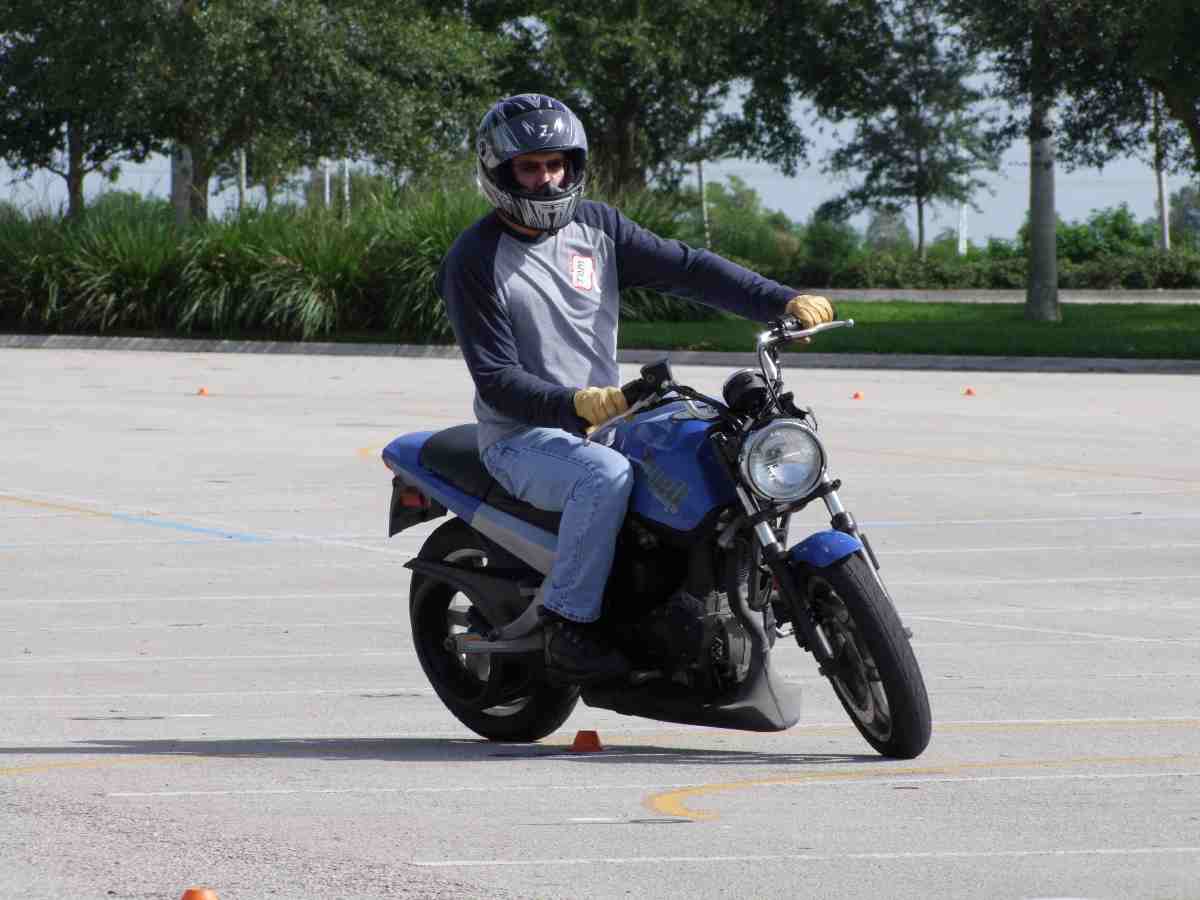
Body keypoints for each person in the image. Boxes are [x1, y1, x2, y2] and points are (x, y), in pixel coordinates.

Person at [436, 93, 834, 683]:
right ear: (500, 173)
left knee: (715, 446)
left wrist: (781, 300)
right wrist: (573, 403)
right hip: (524, 436)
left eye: (557, 165)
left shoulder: (598, 227)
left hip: (611, 419)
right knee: (604, 477)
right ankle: (568, 625)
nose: (547, 181)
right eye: (530, 167)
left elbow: (690, 269)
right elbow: (495, 379)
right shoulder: (474, 259)